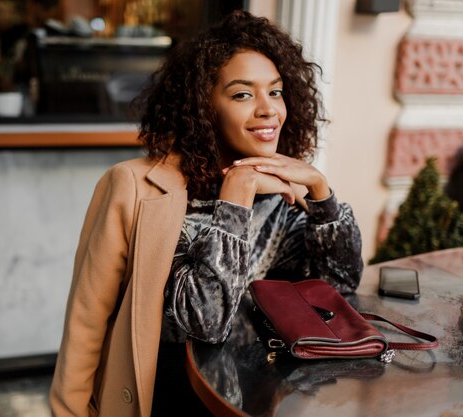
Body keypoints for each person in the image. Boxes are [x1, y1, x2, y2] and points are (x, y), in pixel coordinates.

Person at [49, 10, 363, 417]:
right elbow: (194, 322)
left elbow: (340, 286)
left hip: (254, 394)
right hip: (167, 394)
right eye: (242, 94)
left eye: (276, 91)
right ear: (204, 106)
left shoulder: (283, 192)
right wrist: (236, 198)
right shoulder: (136, 187)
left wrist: (321, 192)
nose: (268, 110)